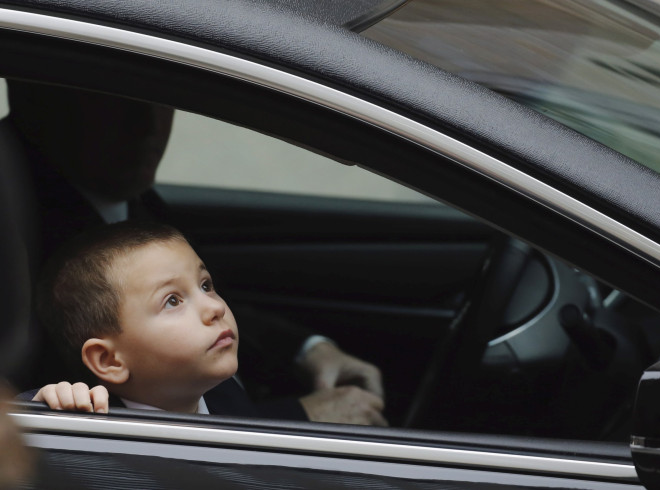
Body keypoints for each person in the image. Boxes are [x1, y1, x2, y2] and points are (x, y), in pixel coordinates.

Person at [4, 79, 386, 425]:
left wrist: (309, 349)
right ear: (36, 92)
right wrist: (49, 405)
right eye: (119, 102)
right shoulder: (20, 232)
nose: (149, 124)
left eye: (206, 285)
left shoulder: (140, 207)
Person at [23, 221, 387, 425]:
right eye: (172, 301)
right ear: (110, 361)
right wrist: (48, 408)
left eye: (205, 285)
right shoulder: (91, 424)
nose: (213, 307)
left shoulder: (223, 392)